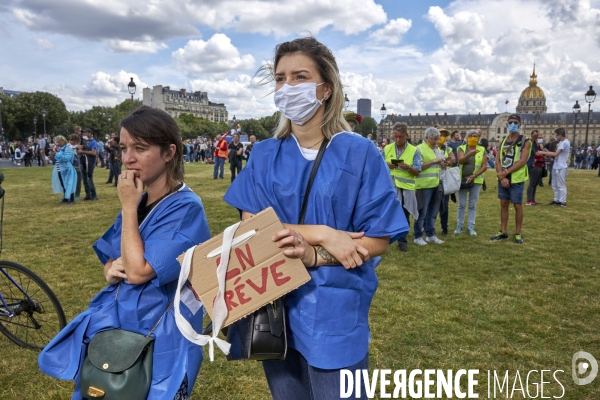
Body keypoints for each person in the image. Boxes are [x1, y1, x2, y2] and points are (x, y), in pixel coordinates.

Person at [223, 36, 408, 400]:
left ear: (324, 89)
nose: (287, 86)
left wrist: (313, 255)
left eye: (299, 77)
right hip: (273, 309)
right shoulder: (263, 155)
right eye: (280, 78)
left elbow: (377, 238)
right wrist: (323, 234)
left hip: (336, 314)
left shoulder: (361, 154)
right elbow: (253, 232)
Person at [39, 106, 210, 399]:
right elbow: (113, 255)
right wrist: (109, 269)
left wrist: (128, 207)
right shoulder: (141, 199)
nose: (127, 158)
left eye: (140, 148)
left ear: (169, 153)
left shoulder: (184, 207)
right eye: (124, 147)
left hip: (160, 334)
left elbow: (139, 271)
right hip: (121, 325)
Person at [491, 114, 531, 244]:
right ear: (507, 124)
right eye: (510, 122)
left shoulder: (525, 141)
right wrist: (502, 176)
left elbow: (522, 161)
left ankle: (518, 233)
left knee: (517, 205)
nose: (512, 124)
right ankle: (503, 232)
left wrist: (505, 173)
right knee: (503, 204)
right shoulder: (503, 141)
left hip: (516, 178)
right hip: (503, 177)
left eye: (515, 122)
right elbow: (497, 160)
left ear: (520, 124)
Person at [384, 122, 421, 252]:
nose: (398, 140)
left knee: (404, 215)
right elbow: (377, 164)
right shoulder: (387, 148)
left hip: (406, 189)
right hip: (390, 187)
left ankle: (402, 241)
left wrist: (409, 168)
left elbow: (418, 171)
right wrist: (387, 165)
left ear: (407, 135)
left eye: (401, 137)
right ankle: (385, 239)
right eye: (396, 137)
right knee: (388, 213)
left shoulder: (414, 150)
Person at [413, 127, 449, 246]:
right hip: (424, 185)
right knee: (421, 212)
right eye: (433, 139)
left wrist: (443, 164)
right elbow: (418, 167)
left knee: (433, 212)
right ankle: (418, 236)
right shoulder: (419, 149)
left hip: (436, 184)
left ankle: (430, 234)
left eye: (437, 139)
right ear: (426, 138)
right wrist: (434, 161)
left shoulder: (437, 149)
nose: (435, 142)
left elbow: (439, 165)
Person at [455, 129, 487, 235]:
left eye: (476, 136)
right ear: (467, 137)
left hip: (476, 180)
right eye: (472, 136)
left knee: (472, 205)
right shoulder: (461, 148)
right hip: (462, 180)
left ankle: (471, 226)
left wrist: (474, 175)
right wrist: (470, 154)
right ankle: (459, 226)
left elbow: (484, 166)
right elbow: (460, 161)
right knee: (461, 204)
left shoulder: (482, 149)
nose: (474, 138)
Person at [540, 128, 570, 207]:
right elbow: (556, 153)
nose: (556, 137)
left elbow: (556, 154)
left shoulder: (564, 142)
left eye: (556, 135)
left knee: (561, 185)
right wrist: (547, 152)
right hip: (556, 165)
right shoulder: (561, 142)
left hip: (561, 166)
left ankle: (562, 201)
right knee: (555, 184)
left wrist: (542, 152)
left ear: (560, 135)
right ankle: (556, 200)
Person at [435, 126, 456, 236]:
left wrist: (447, 163)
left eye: (444, 135)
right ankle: (429, 227)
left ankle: (444, 227)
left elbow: (453, 159)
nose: (442, 137)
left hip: (444, 180)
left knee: (444, 205)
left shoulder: (447, 149)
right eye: (440, 134)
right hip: (432, 179)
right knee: (431, 206)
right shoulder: (430, 147)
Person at [49, 135, 77, 205]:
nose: (58, 143)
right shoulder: (59, 149)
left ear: (64, 141)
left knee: (69, 183)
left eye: (59, 141)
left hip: (67, 169)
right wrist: (53, 155)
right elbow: (58, 158)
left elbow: (66, 158)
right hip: (60, 169)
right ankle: (65, 198)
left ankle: (71, 199)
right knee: (63, 184)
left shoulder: (68, 149)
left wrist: (56, 155)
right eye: (57, 142)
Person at [78, 128, 98, 200]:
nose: (84, 134)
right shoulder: (82, 142)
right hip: (82, 162)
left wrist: (82, 152)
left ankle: (94, 195)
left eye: (85, 133)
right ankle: (88, 195)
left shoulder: (93, 142)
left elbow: (93, 152)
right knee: (85, 180)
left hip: (89, 163)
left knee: (89, 179)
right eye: (83, 133)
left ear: (90, 133)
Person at [526, 131, 545, 206]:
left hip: (540, 165)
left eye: (541, 138)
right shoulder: (532, 145)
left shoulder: (538, 146)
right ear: (536, 138)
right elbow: (536, 153)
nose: (541, 139)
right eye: (539, 138)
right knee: (532, 183)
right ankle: (528, 200)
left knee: (535, 183)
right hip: (534, 165)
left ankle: (532, 199)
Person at [68, 134, 83, 200]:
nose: (70, 141)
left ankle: (77, 194)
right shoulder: (67, 146)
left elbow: (80, 155)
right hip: (69, 166)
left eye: (71, 139)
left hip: (77, 165)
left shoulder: (79, 147)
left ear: (75, 140)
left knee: (78, 181)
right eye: (69, 139)